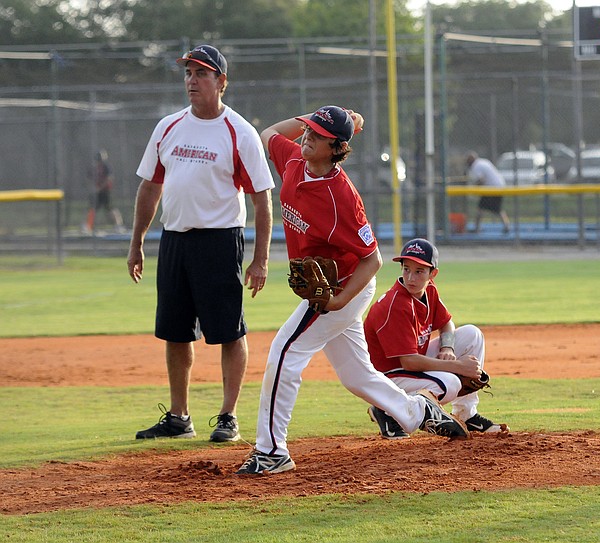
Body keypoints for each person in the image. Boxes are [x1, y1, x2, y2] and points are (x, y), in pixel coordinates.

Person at [236, 106, 468, 475]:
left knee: (285, 351)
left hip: (346, 285)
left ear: (336, 147)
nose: (306, 136)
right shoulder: (295, 160)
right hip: (334, 288)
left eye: (316, 134)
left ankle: (271, 450)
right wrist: (317, 115)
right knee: (356, 375)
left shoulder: (342, 198)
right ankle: (415, 410)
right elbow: (266, 134)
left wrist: (340, 300)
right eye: (307, 130)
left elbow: (373, 259)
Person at [127, 45, 275, 443]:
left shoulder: (239, 132)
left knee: (228, 331)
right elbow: (150, 186)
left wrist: (260, 260)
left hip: (220, 240)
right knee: (175, 331)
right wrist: (137, 240)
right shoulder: (169, 126)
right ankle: (179, 416)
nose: (192, 80)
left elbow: (262, 198)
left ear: (222, 82)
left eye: (202, 73)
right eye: (189, 73)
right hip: (174, 240)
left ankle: (227, 415)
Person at [363, 238, 507, 439]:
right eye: (406, 269)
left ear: (433, 274)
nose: (411, 278)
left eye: (419, 271)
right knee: (449, 384)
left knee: (472, 335)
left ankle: (466, 414)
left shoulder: (428, 290)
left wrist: (447, 348)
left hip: (409, 364)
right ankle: (388, 410)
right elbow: (409, 361)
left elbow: (446, 323)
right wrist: (459, 367)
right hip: (387, 376)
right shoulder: (397, 305)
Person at [466, 151, 510, 234]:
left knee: (493, 208)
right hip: (497, 186)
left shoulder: (476, 165)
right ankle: (477, 228)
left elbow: (481, 180)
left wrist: (474, 187)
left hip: (493, 188)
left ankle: (506, 226)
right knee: (482, 208)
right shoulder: (483, 161)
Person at [83, 149, 124, 234]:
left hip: (106, 191)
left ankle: (118, 225)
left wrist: (101, 187)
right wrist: (94, 187)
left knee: (110, 208)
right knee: (92, 208)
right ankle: (88, 226)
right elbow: (89, 178)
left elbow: (109, 179)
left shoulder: (106, 167)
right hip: (97, 192)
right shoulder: (94, 168)